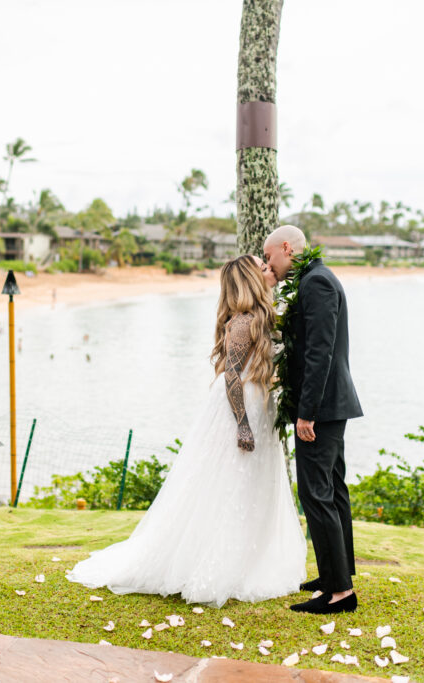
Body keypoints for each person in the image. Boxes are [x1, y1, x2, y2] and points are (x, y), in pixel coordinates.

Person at [66, 255, 305, 607]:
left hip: (261, 405)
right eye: (262, 266)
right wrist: (243, 424)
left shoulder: (264, 318)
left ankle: (250, 560)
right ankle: (216, 563)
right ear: (250, 279)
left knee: (253, 485)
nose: (268, 269)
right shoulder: (241, 323)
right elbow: (232, 377)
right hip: (239, 410)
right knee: (227, 484)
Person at [263, 225, 363, 615]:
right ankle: (335, 575)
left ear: (287, 248)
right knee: (333, 491)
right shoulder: (317, 277)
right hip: (333, 405)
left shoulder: (316, 283)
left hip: (322, 409)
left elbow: (319, 353)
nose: (269, 263)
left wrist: (307, 413)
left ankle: (339, 593)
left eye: (270, 256)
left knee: (316, 494)